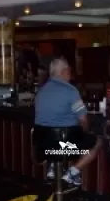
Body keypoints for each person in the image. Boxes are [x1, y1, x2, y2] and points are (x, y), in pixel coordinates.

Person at [34, 57, 101, 186]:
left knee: (56, 141)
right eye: (69, 71)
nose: (70, 74)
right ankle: (72, 172)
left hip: (44, 147)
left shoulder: (40, 92)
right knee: (97, 141)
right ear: (64, 71)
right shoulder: (71, 91)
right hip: (66, 146)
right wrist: (85, 131)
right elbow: (83, 120)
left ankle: (53, 166)